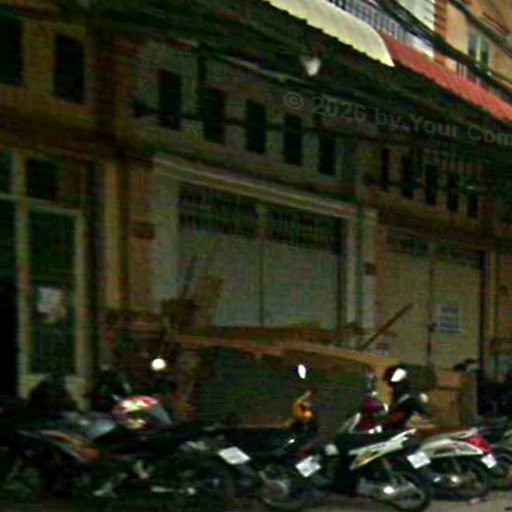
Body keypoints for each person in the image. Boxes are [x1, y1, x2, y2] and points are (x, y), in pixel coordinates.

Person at [381, 364, 428, 430]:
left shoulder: (407, 397)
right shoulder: (404, 394)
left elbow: (399, 415)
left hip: (402, 429)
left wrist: (387, 420)